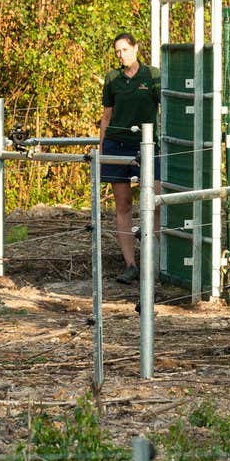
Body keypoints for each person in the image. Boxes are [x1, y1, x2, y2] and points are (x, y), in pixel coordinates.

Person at [99, 33, 161, 285]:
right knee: (122, 205)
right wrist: (102, 151)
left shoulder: (153, 75)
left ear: (135, 48)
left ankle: (153, 261)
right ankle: (130, 265)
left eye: (124, 49)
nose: (121, 55)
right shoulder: (112, 78)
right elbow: (106, 116)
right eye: (117, 52)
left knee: (156, 200)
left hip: (147, 145)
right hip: (117, 144)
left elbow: (166, 107)